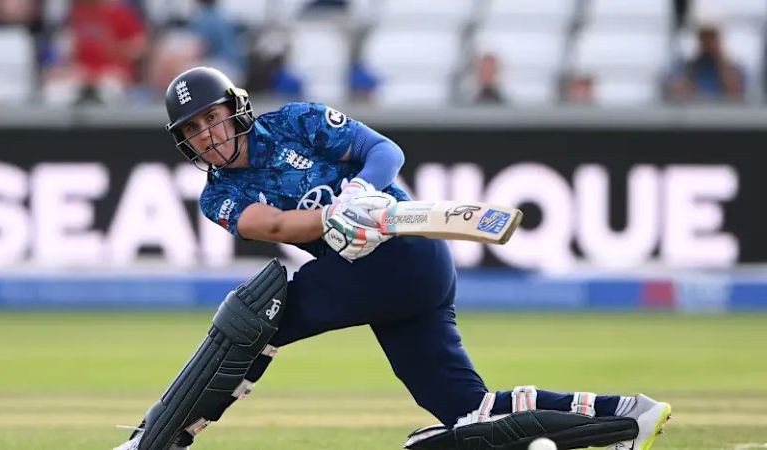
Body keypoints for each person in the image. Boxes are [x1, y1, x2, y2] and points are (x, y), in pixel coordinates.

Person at [114, 66, 671, 450]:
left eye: (211, 117)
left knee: (252, 318)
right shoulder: (218, 195)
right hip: (368, 272)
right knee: (469, 413)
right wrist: (334, 218)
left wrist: (361, 191)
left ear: (235, 109)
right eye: (192, 130)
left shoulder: (296, 122)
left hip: (405, 252)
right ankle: (624, 418)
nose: (206, 135)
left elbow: (384, 150)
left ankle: (156, 439)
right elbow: (275, 226)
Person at [666, 21, 745, 103]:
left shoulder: (734, 69)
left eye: (712, 38)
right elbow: (678, 93)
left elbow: (735, 94)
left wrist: (721, 61)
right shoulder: (686, 68)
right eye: (704, 38)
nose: (708, 42)